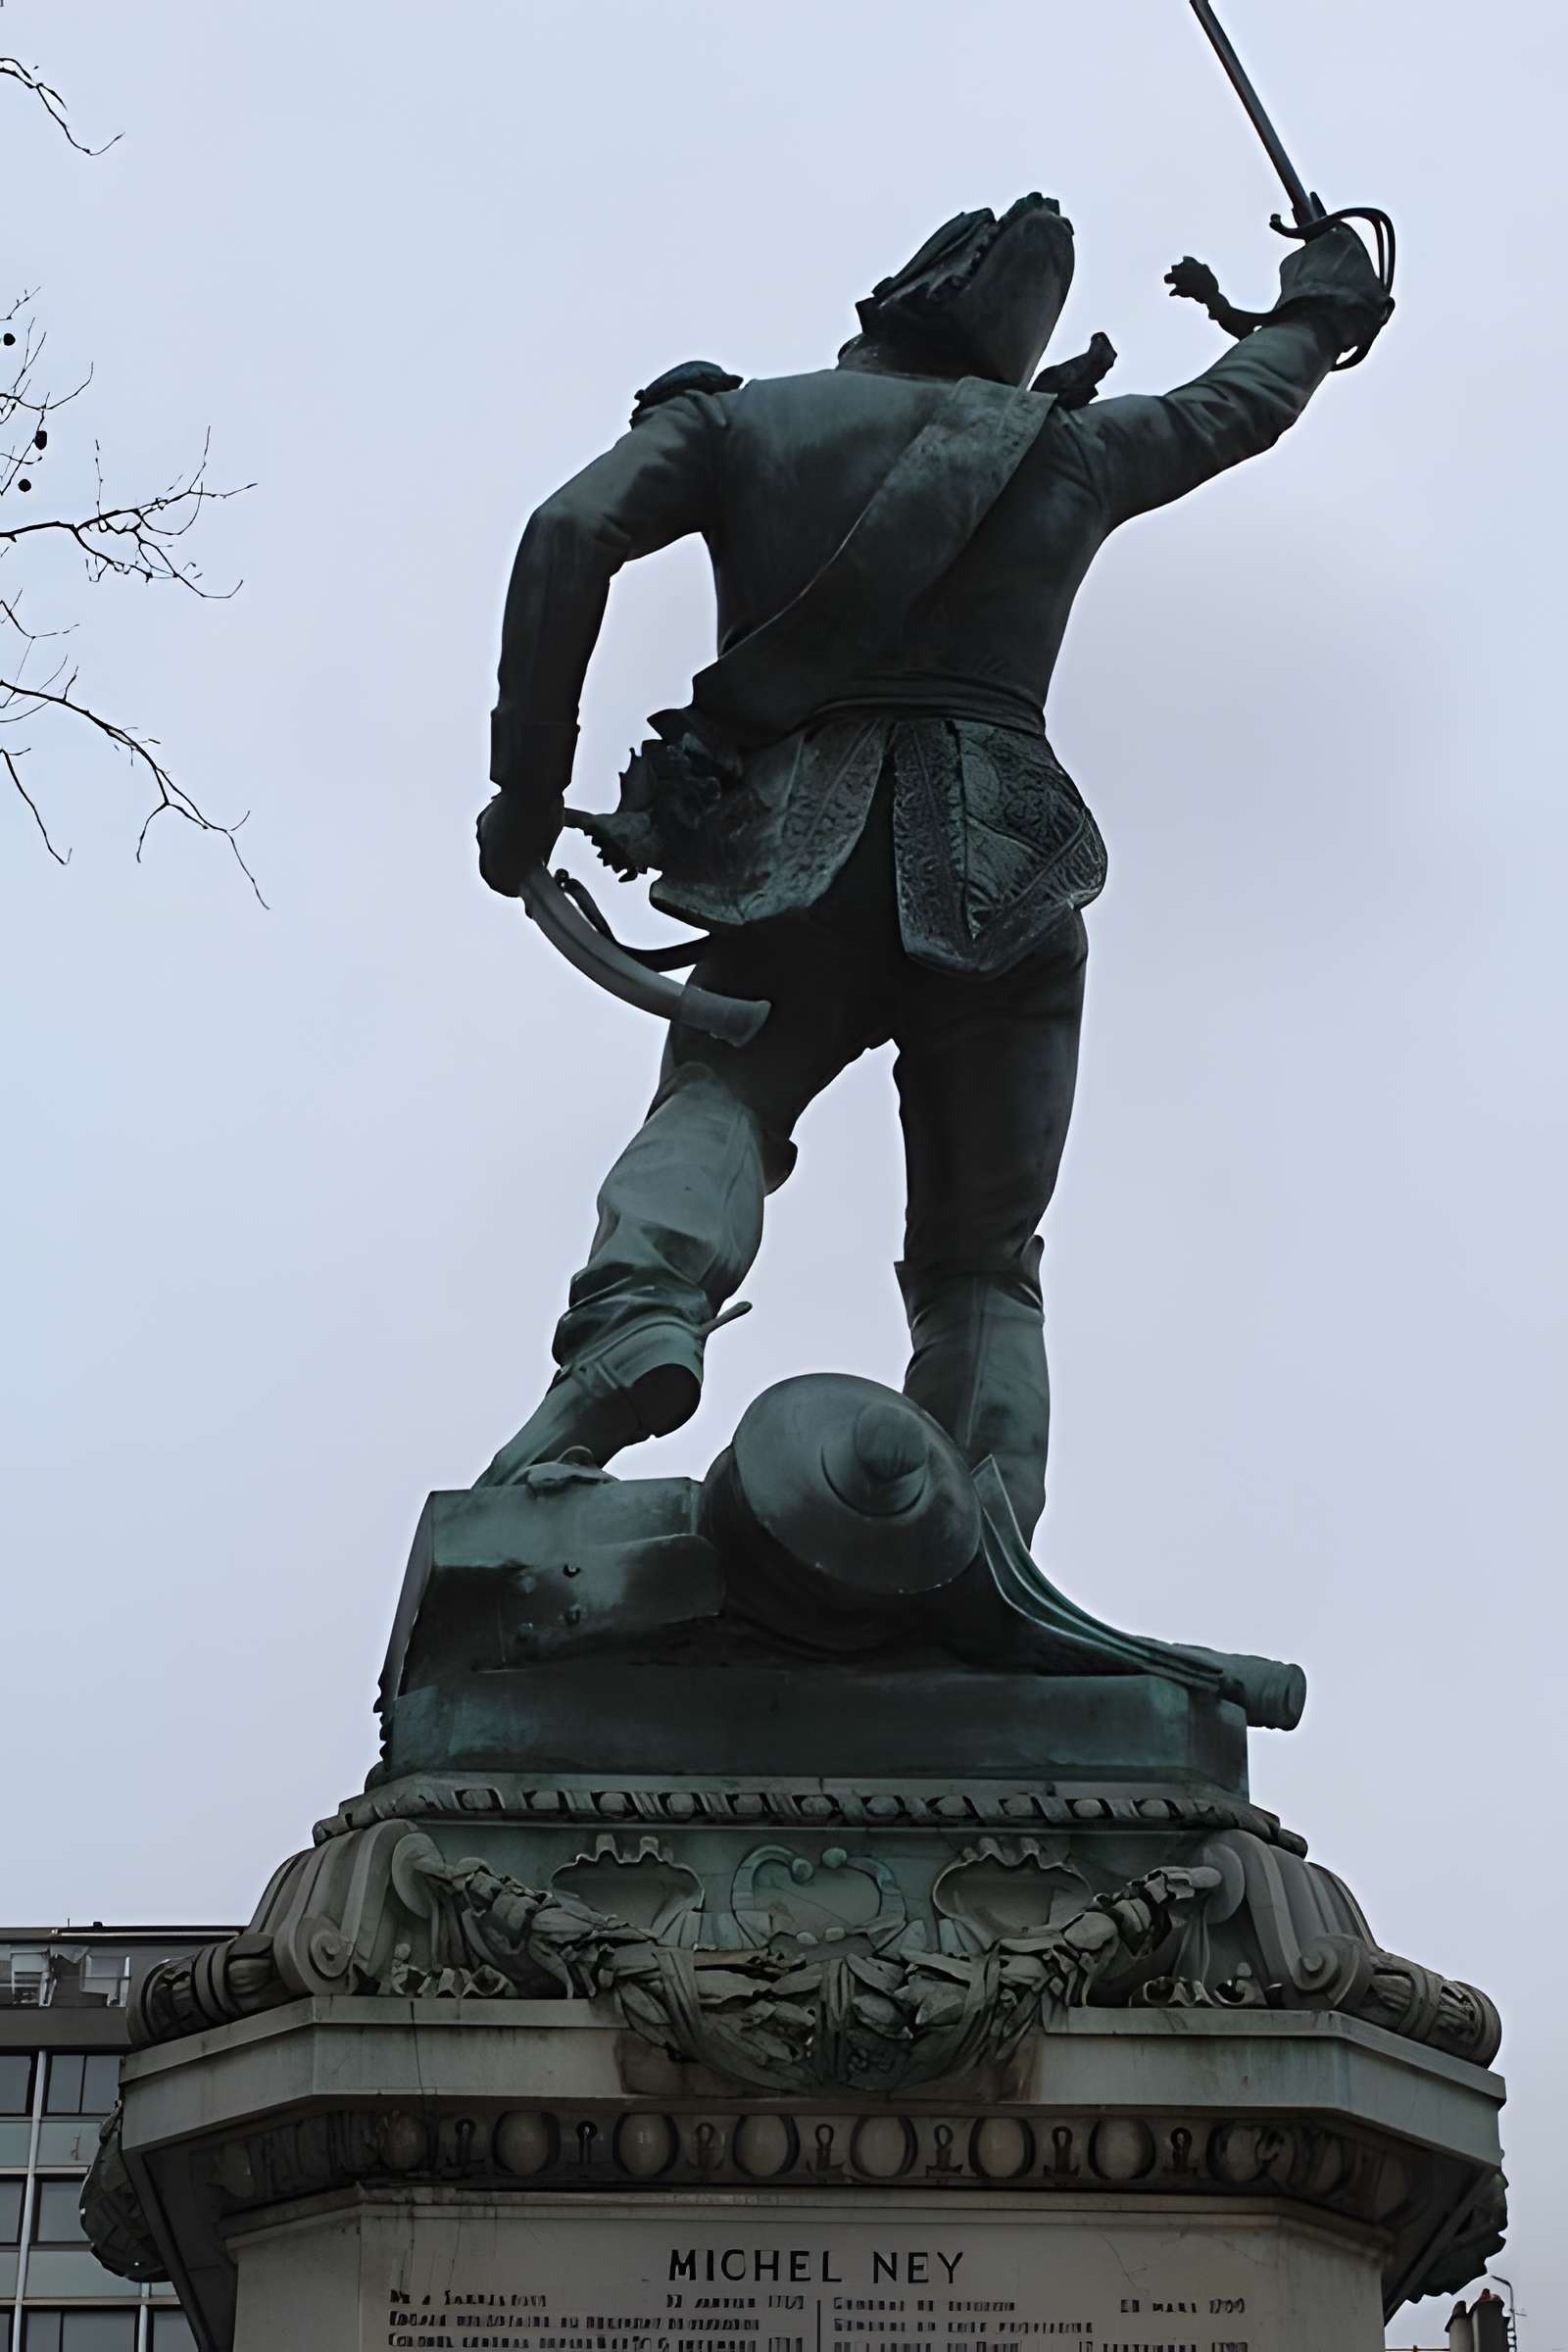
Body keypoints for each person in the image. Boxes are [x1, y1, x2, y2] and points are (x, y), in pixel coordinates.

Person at [473, 195, 1390, 1539]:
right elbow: (1240, 402)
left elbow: (566, 537)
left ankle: (639, 1326)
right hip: (1007, 862)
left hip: (798, 854)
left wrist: (528, 788)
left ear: (895, 295)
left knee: (719, 1103)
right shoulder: (1069, 454)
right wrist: (1319, 301)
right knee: (984, 1259)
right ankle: (984, 1532)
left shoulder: (736, 422)